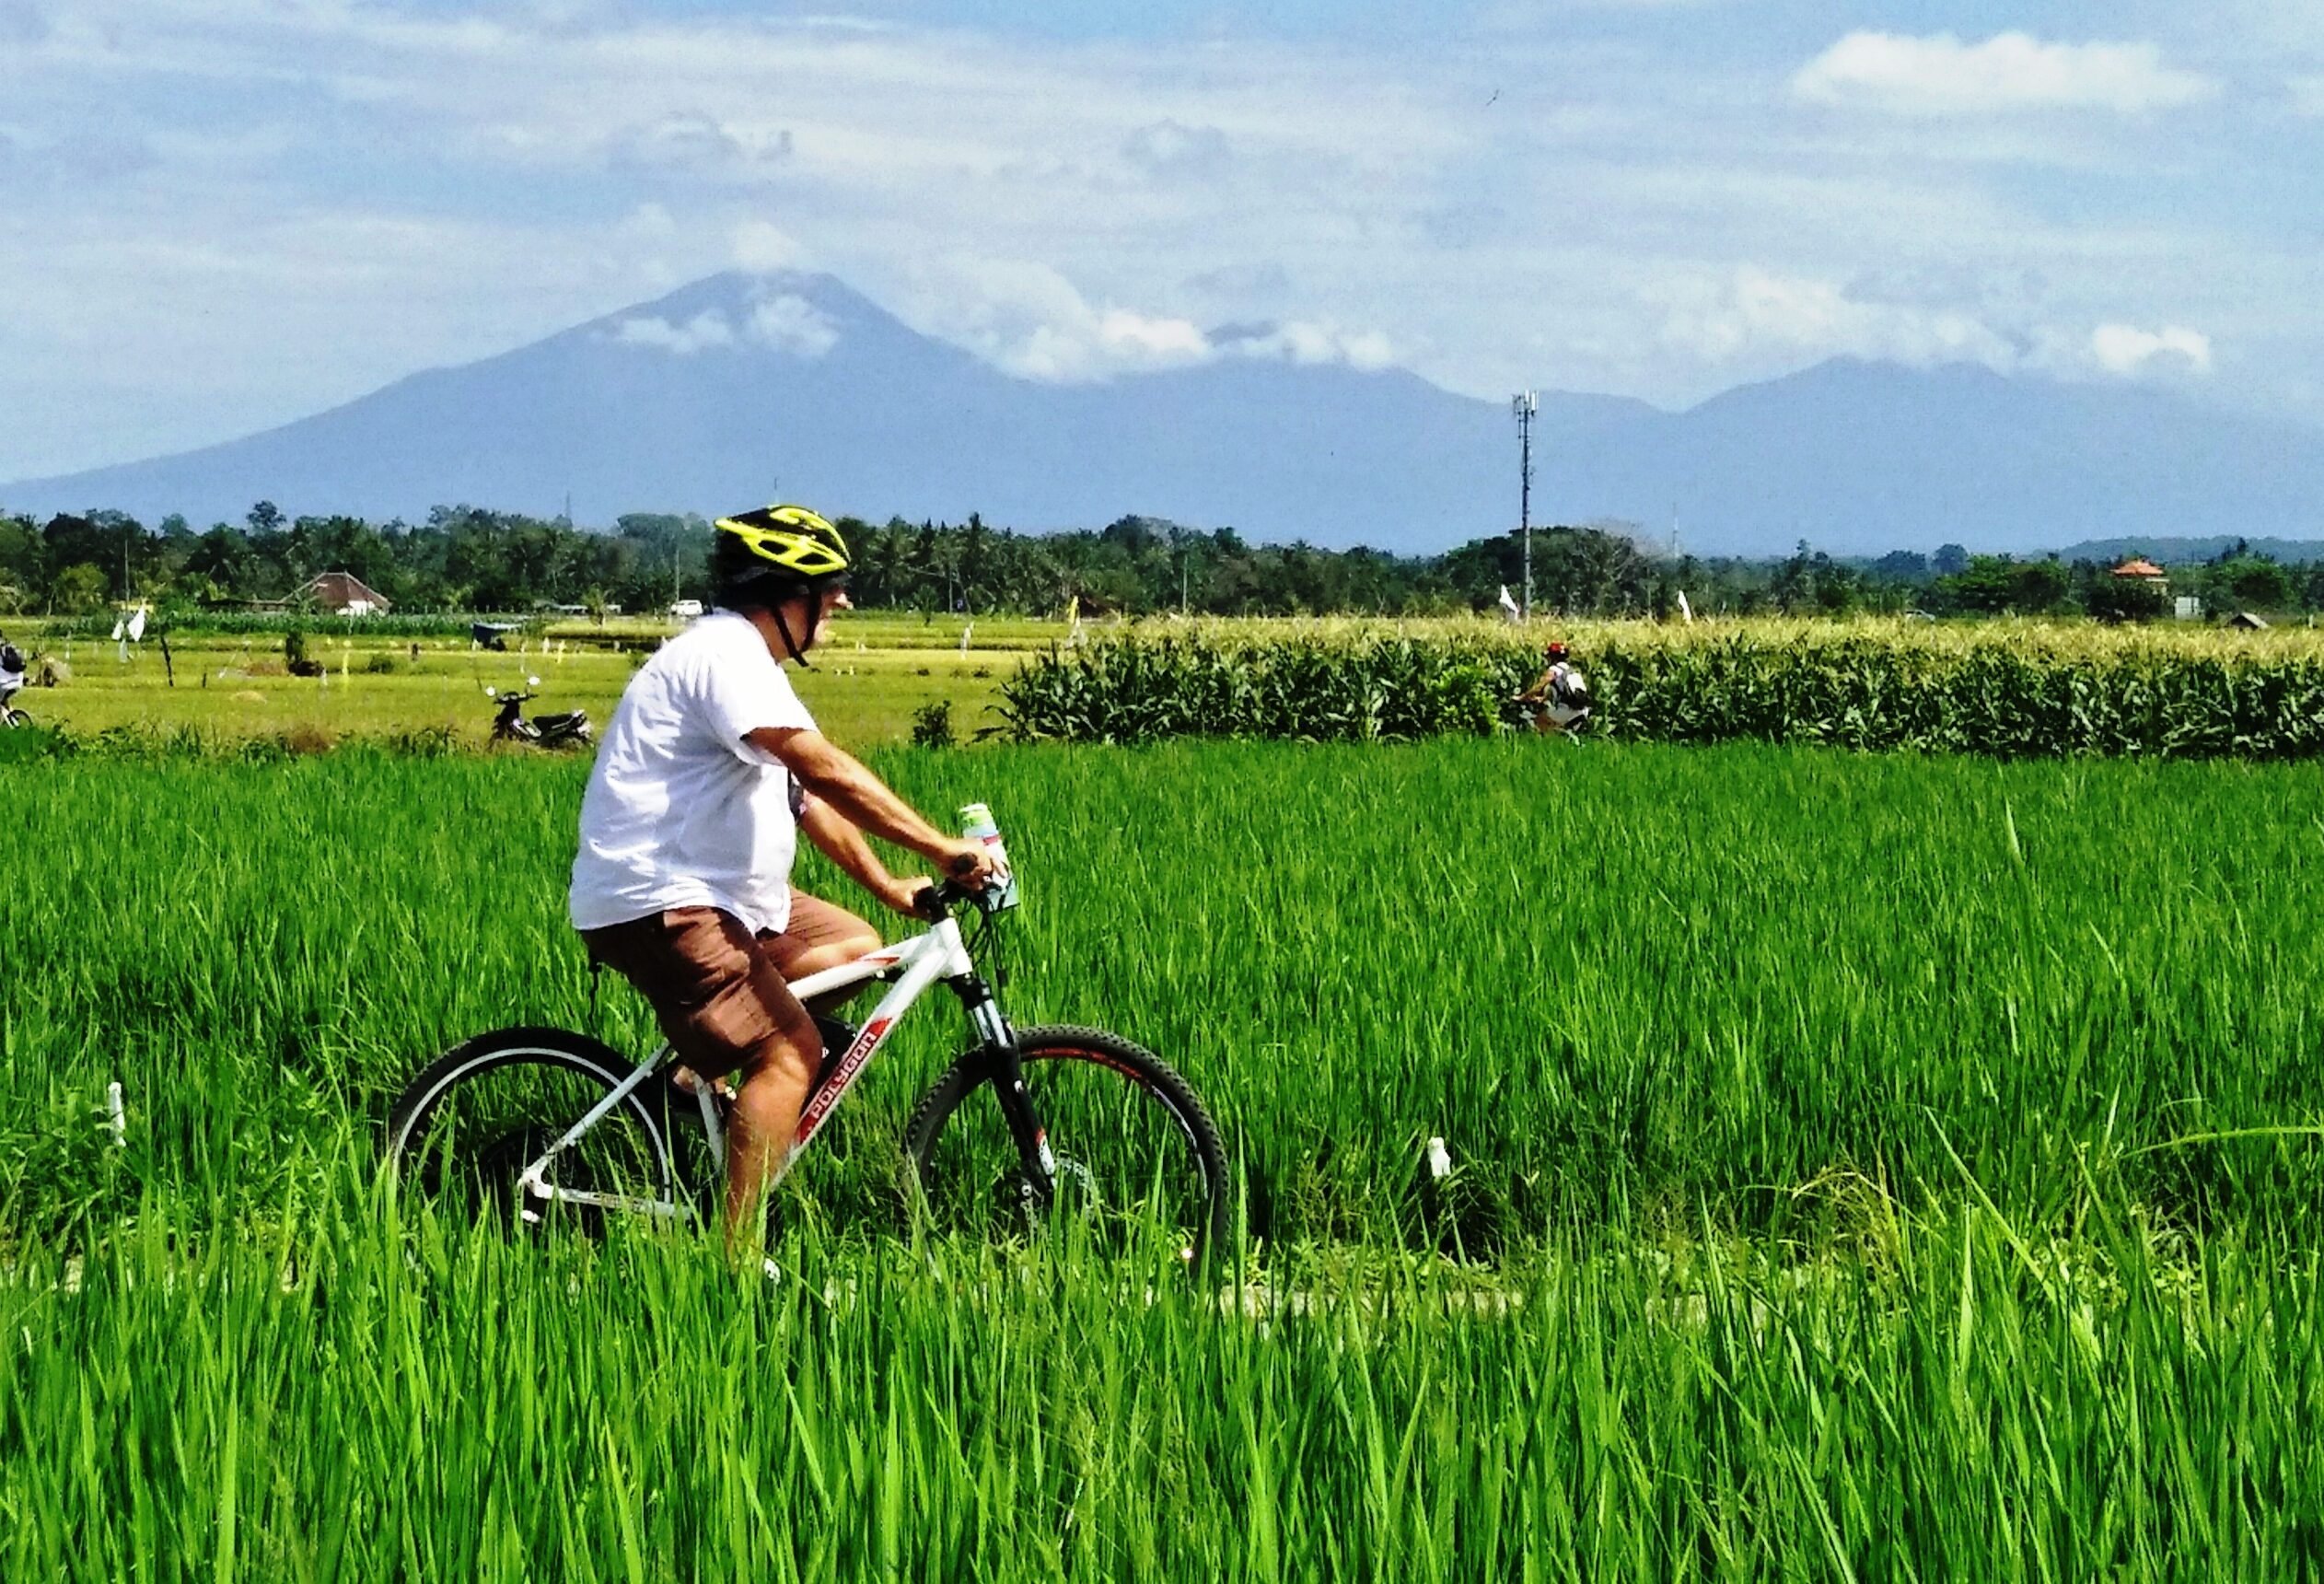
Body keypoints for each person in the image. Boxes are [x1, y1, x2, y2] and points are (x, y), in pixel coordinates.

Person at [567, 504, 996, 1244]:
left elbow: (801, 800)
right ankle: (730, 1267)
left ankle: (699, 1076)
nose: (841, 600)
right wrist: (939, 847)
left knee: (860, 950)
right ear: (778, 592)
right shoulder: (724, 658)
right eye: (825, 586)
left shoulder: (749, 666)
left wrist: (893, 886)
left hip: (719, 895)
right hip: (663, 901)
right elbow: (824, 770)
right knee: (790, 1049)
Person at [1515, 640, 1590, 734]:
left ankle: (1546, 744)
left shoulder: (1554, 670)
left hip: (1566, 710)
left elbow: (1539, 687)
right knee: (1557, 729)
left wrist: (1522, 697)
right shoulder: (1573, 671)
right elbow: (1563, 690)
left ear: (1552, 657)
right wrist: (1543, 699)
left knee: (1539, 721)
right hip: (1582, 710)